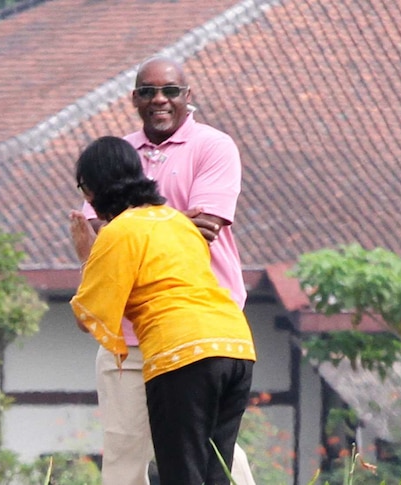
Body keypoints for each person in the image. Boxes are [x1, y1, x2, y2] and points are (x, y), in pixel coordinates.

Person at [72, 56, 256, 485]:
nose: (159, 99)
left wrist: (94, 256)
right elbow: (191, 230)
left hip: (175, 345)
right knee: (203, 455)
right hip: (229, 340)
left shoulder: (212, 146)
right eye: (148, 91)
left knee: (182, 465)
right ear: (134, 98)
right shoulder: (162, 210)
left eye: (170, 91)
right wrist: (170, 222)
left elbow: (207, 226)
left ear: (187, 97)